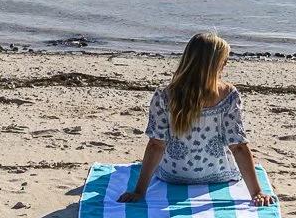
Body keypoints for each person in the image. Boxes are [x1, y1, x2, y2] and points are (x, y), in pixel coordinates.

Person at [117, 31, 276, 206]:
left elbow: (156, 144)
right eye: (224, 60)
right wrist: (256, 192)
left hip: (173, 175)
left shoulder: (164, 95)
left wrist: (139, 191)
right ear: (215, 64)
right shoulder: (229, 95)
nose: (226, 64)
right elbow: (238, 146)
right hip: (220, 175)